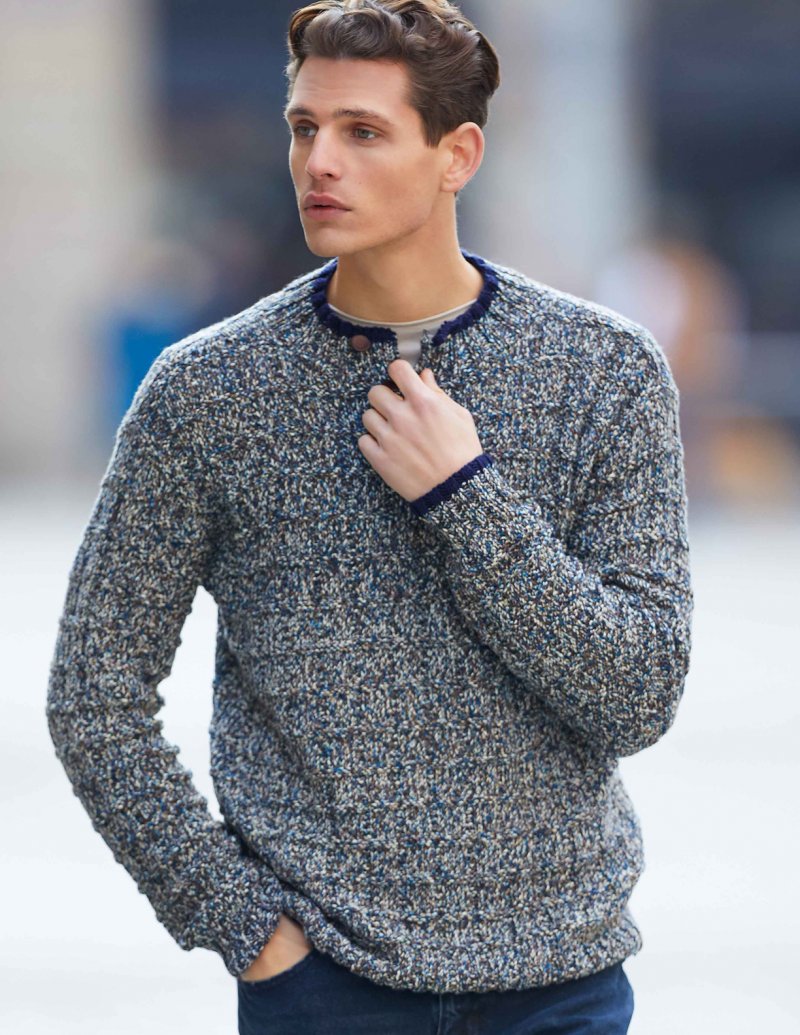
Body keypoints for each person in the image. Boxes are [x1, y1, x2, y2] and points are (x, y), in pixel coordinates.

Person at [46, 2, 694, 1033]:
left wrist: (464, 495)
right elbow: (92, 692)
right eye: (305, 127)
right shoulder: (208, 392)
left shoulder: (603, 371)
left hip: (559, 980)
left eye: (363, 131)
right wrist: (243, 925)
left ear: (456, 155)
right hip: (322, 990)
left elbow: (637, 693)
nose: (320, 162)